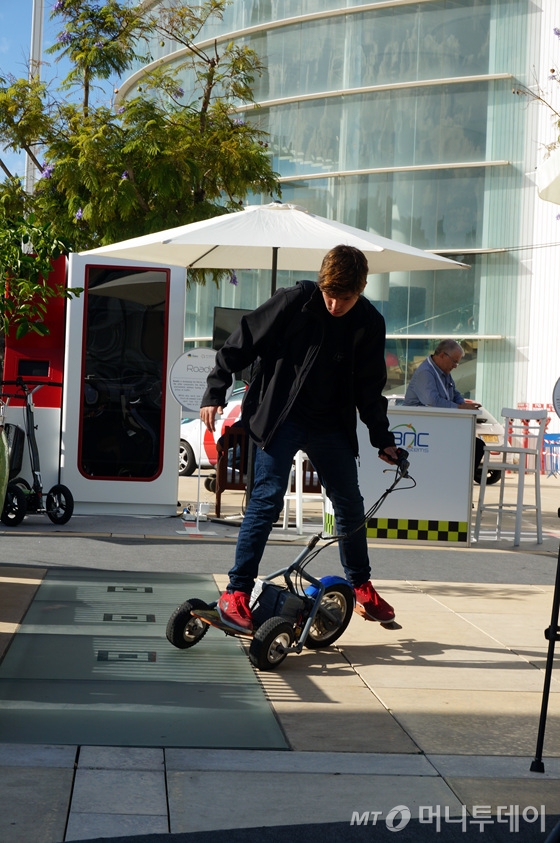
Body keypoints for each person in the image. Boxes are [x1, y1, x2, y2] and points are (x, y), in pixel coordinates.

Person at [200, 244, 399, 633]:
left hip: (330, 425)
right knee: (266, 499)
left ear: (360, 291)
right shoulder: (295, 301)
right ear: (322, 284)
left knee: (349, 503)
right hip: (280, 417)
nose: (335, 304)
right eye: (330, 294)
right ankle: (237, 592)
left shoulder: (369, 323)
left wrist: (383, 439)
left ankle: (360, 586)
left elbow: (370, 389)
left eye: (345, 298)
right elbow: (242, 340)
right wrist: (215, 390)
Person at [403, 339, 484, 469]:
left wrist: (463, 405)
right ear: (442, 355)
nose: (456, 366)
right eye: (454, 361)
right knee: (474, 446)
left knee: (477, 446)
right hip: (423, 428)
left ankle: (460, 480)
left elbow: (455, 394)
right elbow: (432, 401)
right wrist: (459, 408)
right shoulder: (426, 372)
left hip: (439, 426)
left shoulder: (444, 372)